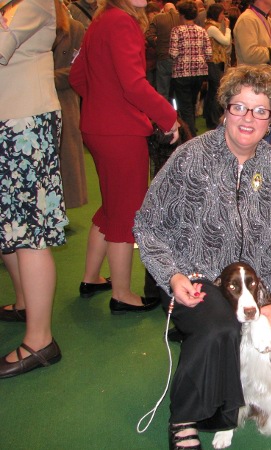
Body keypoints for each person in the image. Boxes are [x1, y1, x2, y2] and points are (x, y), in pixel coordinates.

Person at [133, 65, 271, 450]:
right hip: (194, 278)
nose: (248, 118)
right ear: (224, 110)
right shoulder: (188, 158)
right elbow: (147, 224)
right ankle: (184, 417)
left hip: (257, 289)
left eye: (260, 110)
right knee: (220, 326)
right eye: (239, 107)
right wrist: (172, 275)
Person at [69, 0, 179, 314]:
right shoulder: (122, 22)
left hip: (98, 126)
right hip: (120, 132)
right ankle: (122, 294)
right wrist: (168, 117)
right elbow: (133, 84)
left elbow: (78, 77)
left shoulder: (102, 20)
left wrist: (102, 102)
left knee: (112, 205)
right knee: (127, 212)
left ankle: (91, 279)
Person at [0, 0, 68, 378]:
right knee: (12, 225)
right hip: (11, 121)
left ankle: (40, 340)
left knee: (30, 231)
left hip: (25, 124)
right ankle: (26, 302)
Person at [53, 1, 88, 209]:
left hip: (65, 102)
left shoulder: (75, 29)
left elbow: (78, 71)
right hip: (31, 105)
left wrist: (44, 77)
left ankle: (62, 207)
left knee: (67, 160)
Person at [169, 0, 212, 137]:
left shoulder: (176, 30)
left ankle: (190, 136)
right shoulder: (202, 31)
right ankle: (191, 131)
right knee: (192, 103)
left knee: (185, 107)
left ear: (181, 15)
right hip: (199, 72)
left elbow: (173, 53)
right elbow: (209, 54)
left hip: (181, 73)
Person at [233, 0, 271, 72]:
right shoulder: (247, 20)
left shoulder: (268, 20)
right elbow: (250, 55)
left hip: (267, 78)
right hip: (252, 80)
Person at [203, 2, 231, 129]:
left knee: (212, 91)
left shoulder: (210, 26)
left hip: (214, 62)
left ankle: (209, 117)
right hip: (213, 62)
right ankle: (214, 120)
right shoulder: (212, 28)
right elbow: (226, 41)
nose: (223, 16)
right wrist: (228, 27)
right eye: (221, 14)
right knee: (216, 91)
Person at [146, 2, 179, 101]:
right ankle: (177, 113)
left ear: (164, 10)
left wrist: (157, 43)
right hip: (179, 59)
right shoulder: (182, 18)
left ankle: (164, 113)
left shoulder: (158, 18)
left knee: (162, 90)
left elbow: (149, 37)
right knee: (178, 90)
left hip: (163, 57)